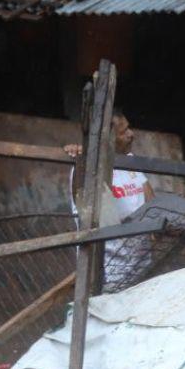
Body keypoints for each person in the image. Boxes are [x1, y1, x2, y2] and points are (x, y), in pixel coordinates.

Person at [64, 113, 156, 291]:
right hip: (109, 277)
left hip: (144, 270)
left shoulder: (129, 160)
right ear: (106, 138)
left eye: (129, 127)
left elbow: (151, 202)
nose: (131, 134)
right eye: (123, 131)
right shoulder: (87, 169)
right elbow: (91, 215)